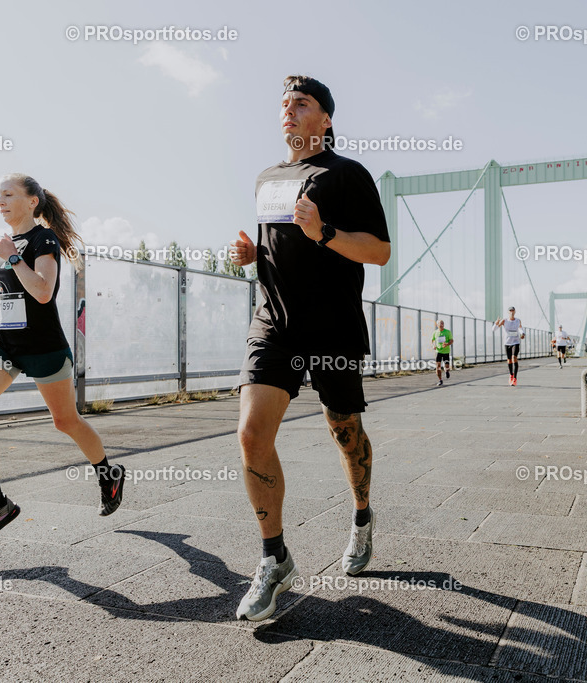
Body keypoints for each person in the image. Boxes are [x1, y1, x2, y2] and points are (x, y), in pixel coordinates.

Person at [228, 75, 391, 622]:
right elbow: (280, 243)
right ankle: (274, 559)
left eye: (301, 104)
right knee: (251, 434)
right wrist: (253, 256)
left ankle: (362, 516)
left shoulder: (348, 174)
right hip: (273, 322)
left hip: (333, 327)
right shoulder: (267, 178)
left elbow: (379, 252)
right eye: (283, 105)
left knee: (344, 429)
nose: (289, 112)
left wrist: (323, 234)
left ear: (325, 119)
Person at [0, 174, 125, 549]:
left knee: (65, 421)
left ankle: (107, 473)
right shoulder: (9, 243)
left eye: (8, 194)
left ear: (32, 201)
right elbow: (23, 288)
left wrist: (12, 258)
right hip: (6, 343)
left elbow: (44, 292)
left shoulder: (43, 239)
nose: (0, 200)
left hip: (43, 346)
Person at [494, 307, 524, 386]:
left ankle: (515, 378)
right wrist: (496, 323)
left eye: (513, 310)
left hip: (516, 342)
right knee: (509, 360)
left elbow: (520, 328)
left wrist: (522, 333)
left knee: (514, 357)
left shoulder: (518, 320)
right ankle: (511, 375)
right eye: (510, 310)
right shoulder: (504, 321)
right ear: (508, 312)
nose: (511, 312)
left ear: (515, 312)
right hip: (507, 343)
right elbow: (494, 329)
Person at [432, 320, 453, 385]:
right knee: (438, 366)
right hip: (438, 351)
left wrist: (447, 344)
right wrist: (433, 345)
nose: (441, 325)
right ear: (437, 325)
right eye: (440, 324)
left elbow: (452, 340)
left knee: (446, 365)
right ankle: (440, 380)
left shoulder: (448, 332)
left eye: (442, 324)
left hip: (446, 351)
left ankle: (447, 371)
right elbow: (432, 340)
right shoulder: (435, 332)